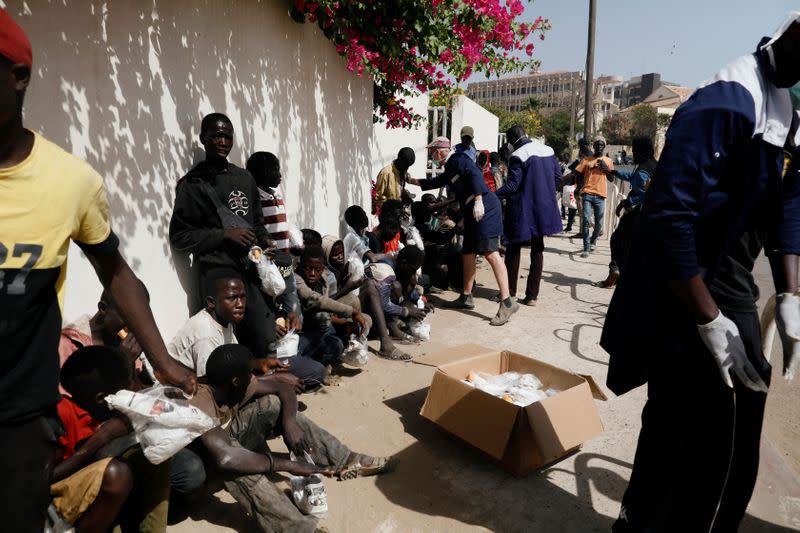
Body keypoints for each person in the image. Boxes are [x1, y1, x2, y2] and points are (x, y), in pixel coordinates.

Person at [601, 14, 800, 532]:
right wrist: (708, 319)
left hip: (727, 273)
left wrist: (789, 294)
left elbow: (788, 204)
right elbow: (669, 219)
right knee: (687, 434)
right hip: (685, 280)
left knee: (730, 426)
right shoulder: (727, 99)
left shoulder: (789, 111)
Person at [0, 11, 194, 531]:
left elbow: (116, 271)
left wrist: (165, 361)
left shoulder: (69, 182)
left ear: (18, 77)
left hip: (17, 416)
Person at [185, 344, 393, 533]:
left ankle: (344, 459)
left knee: (273, 404)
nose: (253, 378)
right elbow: (226, 458)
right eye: (250, 374)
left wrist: (289, 423)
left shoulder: (232, 383)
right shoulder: (199, 403)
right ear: (235, 382)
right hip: (203, 468)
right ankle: (298, 529)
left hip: (225, 443)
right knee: (237, 467)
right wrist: (286, 463)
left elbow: (282, 388)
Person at [170, 112, 278, 360]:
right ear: (203, 138)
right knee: (221, 347)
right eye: (217, 135)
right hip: (215, 274)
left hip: (248, 270)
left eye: (227, 136)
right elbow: (179, 237)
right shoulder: (192, 184)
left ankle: (258, 389)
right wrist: (224, 235)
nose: (222, 141)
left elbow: (258, 223)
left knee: (262, 335)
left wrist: (265, 240)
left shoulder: (244, 177)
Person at [55, 346, 172, 532]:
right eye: (128, 387)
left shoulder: (102, 412)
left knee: (153, 452)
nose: (134, 392)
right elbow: (43, 480)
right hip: (58, 503)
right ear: (102, 398)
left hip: (95, 494)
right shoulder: (62, 413)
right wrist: (103, 437)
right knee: (118, 473)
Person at [407, 137, 519, 326]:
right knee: (467, 253)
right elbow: (434, 182)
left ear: (441, 150)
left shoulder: (458, 159)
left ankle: (507, 301)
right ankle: (466, 297)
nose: (432, 156)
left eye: (433, 152)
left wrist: (477, 199)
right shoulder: (450, 168)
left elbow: (475, 174)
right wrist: (411, 180)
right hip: (473, 212)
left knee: (491, 253)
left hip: (485, 208)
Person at [496, 125, 563, 305]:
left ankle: (510, 291)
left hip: (523, 209)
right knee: (538, 249)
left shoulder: (518, 155)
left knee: (513, 246)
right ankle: (532, 296)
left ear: (512, 140)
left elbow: (512, 186)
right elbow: (558, 179)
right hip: (544, 207)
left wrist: (492, 195)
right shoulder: (548, 150)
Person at [595, 136, 657, 289]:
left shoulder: (643, 170)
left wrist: (625, 203)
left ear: (641, 151)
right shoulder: (653, 165)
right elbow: (632, 177)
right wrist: (612, 171)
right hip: (652, 215)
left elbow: (643, 194)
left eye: (635, 151)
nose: (633, 153)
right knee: (628, 245)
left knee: (617, 240)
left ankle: (615, 272)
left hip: (638, 214)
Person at [295, 245, 367, 372]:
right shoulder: (296, 279)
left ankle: (347, 346)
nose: (312, 273)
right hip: (302, 333)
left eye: (317, 269)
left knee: (365, 321)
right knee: (328, 329)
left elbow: (327, 312)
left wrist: (345, 323)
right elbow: (315, 300)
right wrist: (351, 312)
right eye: (307, 268)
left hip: (322, 327)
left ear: (322, 269)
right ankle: (311, 364)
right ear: (300, 266)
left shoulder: (323, 279)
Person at [567, 136, 614, 257]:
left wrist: (605, 168)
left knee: (599, 223)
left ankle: (593, 240)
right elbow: (576, 173)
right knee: (586, 220)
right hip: (587, 193)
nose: (599, 147)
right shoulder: (586, 160)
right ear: (593, 146)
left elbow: (611, 178)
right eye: (597, 145)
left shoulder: (608, 161)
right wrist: (574, 184)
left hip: (601, 195)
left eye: (601, 145)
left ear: (604, 146)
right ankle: (586, 248)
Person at [246, 151, 292, 252]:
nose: (280, 175)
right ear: (266, 172)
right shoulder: (255, 199)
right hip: (267, 259)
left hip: (283, 258)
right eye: (276, 170)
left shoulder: (277, 197)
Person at [373, 147, 416, 214]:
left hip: (398, 215)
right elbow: (378, 198)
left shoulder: (403, 172)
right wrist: (393, 209)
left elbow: (400, 192)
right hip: (388, 216)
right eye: (406, 165)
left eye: (409, 166)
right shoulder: (385, 173)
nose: (407, 168)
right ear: (399, 159)